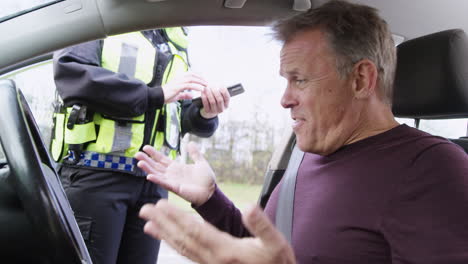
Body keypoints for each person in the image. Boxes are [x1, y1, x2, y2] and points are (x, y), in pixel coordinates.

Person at [135, 1, 468, 264]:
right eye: (285, 80)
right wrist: (210, 200)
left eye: (300, 79)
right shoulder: (306, 157)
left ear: (360, 79)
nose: (284, 99)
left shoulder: (434, 170)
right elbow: (269, 249)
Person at [51, 27, 230, 264]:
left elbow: (173, 112)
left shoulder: (175, 38)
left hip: (152, 183)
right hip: (96, 177)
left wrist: (204, 113)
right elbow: (73, 75)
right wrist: (154, 95)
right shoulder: (99, 18)